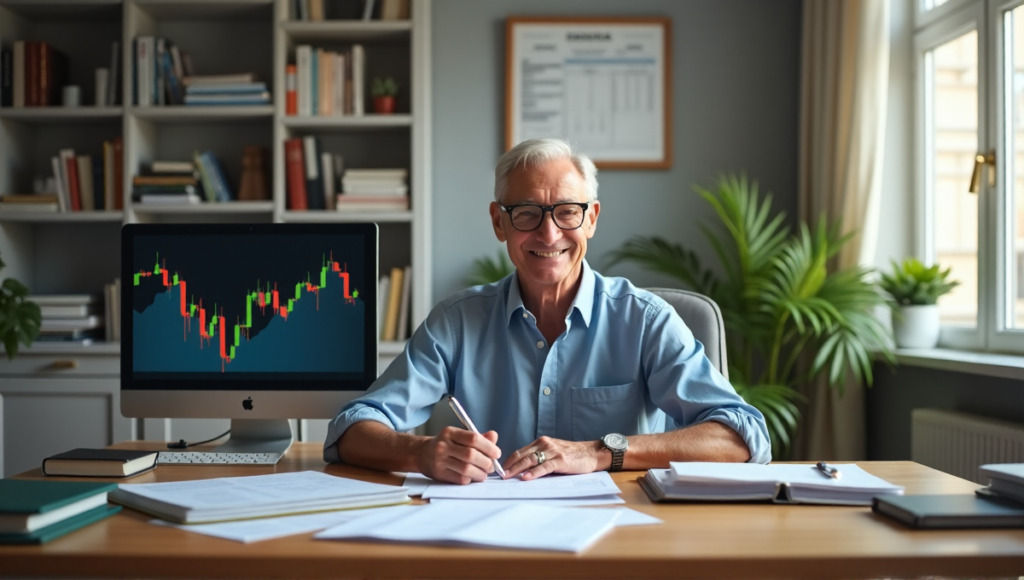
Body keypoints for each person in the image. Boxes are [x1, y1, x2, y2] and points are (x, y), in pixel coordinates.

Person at [324, 138, 771, 484]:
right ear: (499, 221)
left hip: (619, 539)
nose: (549, 232)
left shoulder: (646, 320)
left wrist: (600, 451)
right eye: (527, 214)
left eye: (567, 212)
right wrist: (419, 453)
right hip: (491, 539)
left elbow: (742, 436)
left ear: (591, 219)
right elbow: (351, 429)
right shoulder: (457, 322)